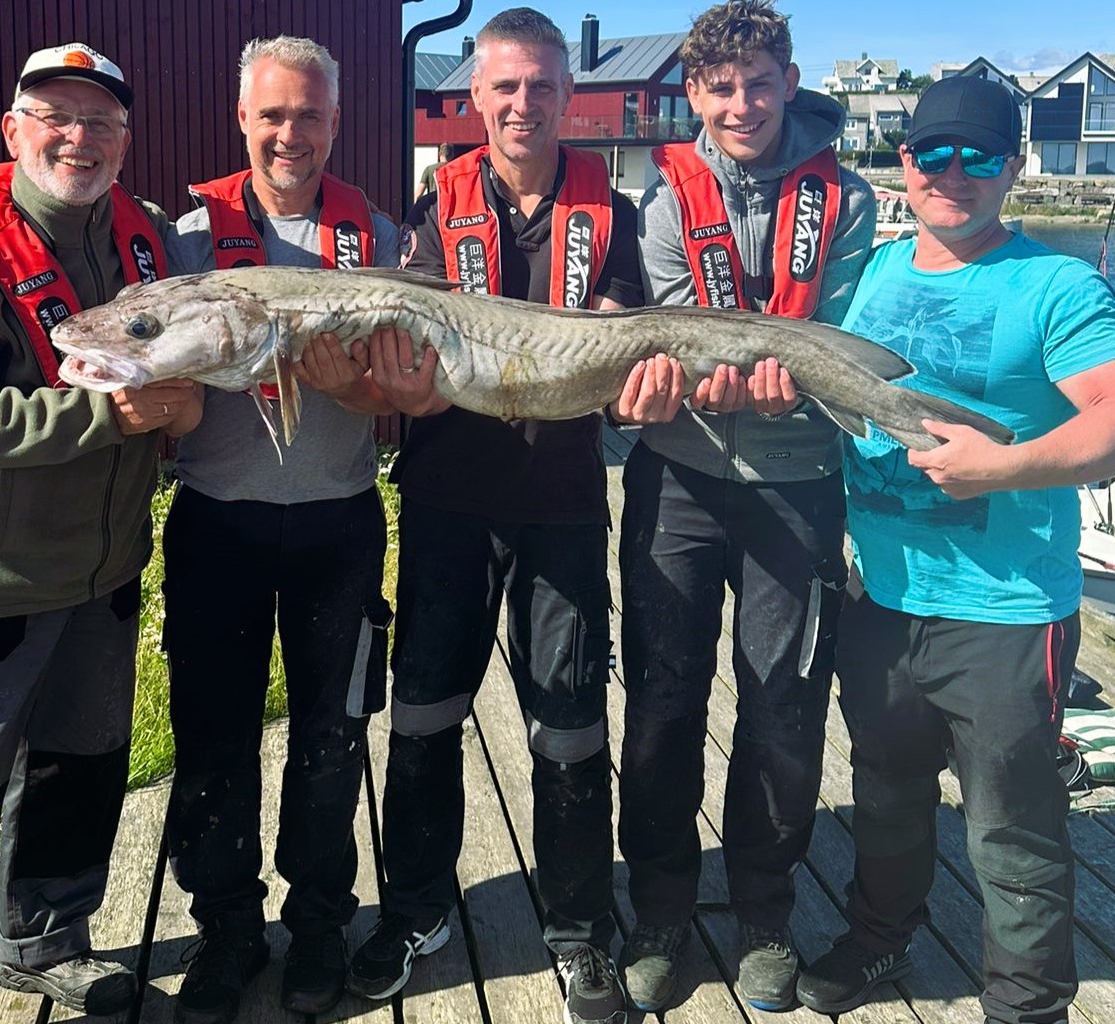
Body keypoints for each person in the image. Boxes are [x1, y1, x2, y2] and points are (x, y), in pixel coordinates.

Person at [793, 75, 1115, 1022]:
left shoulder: (1056, 284)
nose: (954, 175)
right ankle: (881, 940)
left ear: (1015, 167)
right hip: (880, 597)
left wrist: (1003, 468)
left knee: (1012, 833)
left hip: (1004, 614)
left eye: (982, 157)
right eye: (934, 154)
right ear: (905, 162)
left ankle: (1027, 1007)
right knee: (883, 797)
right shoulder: (869, 271)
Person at [344, 9, 682, 1024]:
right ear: (476, 97)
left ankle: (579, 930)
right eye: (505, 87)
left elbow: (630, 338)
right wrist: (393, 382)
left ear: (567, 95)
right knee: (424, 712)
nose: (523, 105)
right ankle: (413, 908)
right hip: (446, 497)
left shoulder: (617, 213)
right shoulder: (425, 206)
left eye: (542, 87)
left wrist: (644, 373)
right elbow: (394, 343)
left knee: (572, 724)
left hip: (563, 504)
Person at [0, 43, 200, 1024]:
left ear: (125, 141)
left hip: (103, 567)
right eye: (55, 116)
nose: (79, 137)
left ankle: (45, 942)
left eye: (101, 122)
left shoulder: (141, 237)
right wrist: (108, 419)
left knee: (85, 761)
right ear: (13, 130)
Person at [616, 1, 875, 1012]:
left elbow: (844, 332)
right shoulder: (659, 199)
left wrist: (780, 372)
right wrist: (707, 370)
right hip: (679, 479)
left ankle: (765, 909)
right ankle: (662, 905)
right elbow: (674, 334)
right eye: (721, 88)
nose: (742, 104)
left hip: (800, 485)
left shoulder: (845, 199)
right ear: (695, 94)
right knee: (664, 700)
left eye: (759, 83)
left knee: (782, 707)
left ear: (789, 80)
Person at [160, 35, 402, 1024]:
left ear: (336, 123)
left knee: (332, 739)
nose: (289, 134)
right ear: (243, 121)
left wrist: (373, 386)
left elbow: (410, 383)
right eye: (272, 115)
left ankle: (316, 927)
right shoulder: (185, 238)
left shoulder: (378, 234)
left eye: (308, 115)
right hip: (217, 522)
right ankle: (224, 932)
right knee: (212, 738)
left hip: (340, 526)